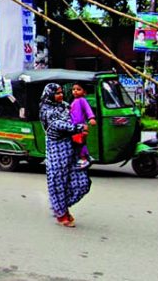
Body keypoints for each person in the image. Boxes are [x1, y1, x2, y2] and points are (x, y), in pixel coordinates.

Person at [39, 83, 91, 227]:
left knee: (82, 182)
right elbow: (57, 125)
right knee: (58, 182)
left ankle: (60, 207)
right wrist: (78, 127)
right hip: (56, 149)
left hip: (72, 148)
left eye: (61, 92)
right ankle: (61, 213)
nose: (60, 95)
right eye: (57, 93)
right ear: (50, 95)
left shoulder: (65, 105)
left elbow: (77, 115)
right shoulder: (46, 110)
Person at [69, 83, 96, 170]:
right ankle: (86, 157)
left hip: (80, 126)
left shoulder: (82, 100)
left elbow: (88, 109)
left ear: (84, 92)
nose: (75, 91)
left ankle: (83, 159)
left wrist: (91, 118)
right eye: (74, 89)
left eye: (78, 89)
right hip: (74, 127)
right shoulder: (74, 101)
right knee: (79, 143)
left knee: (79, 143)